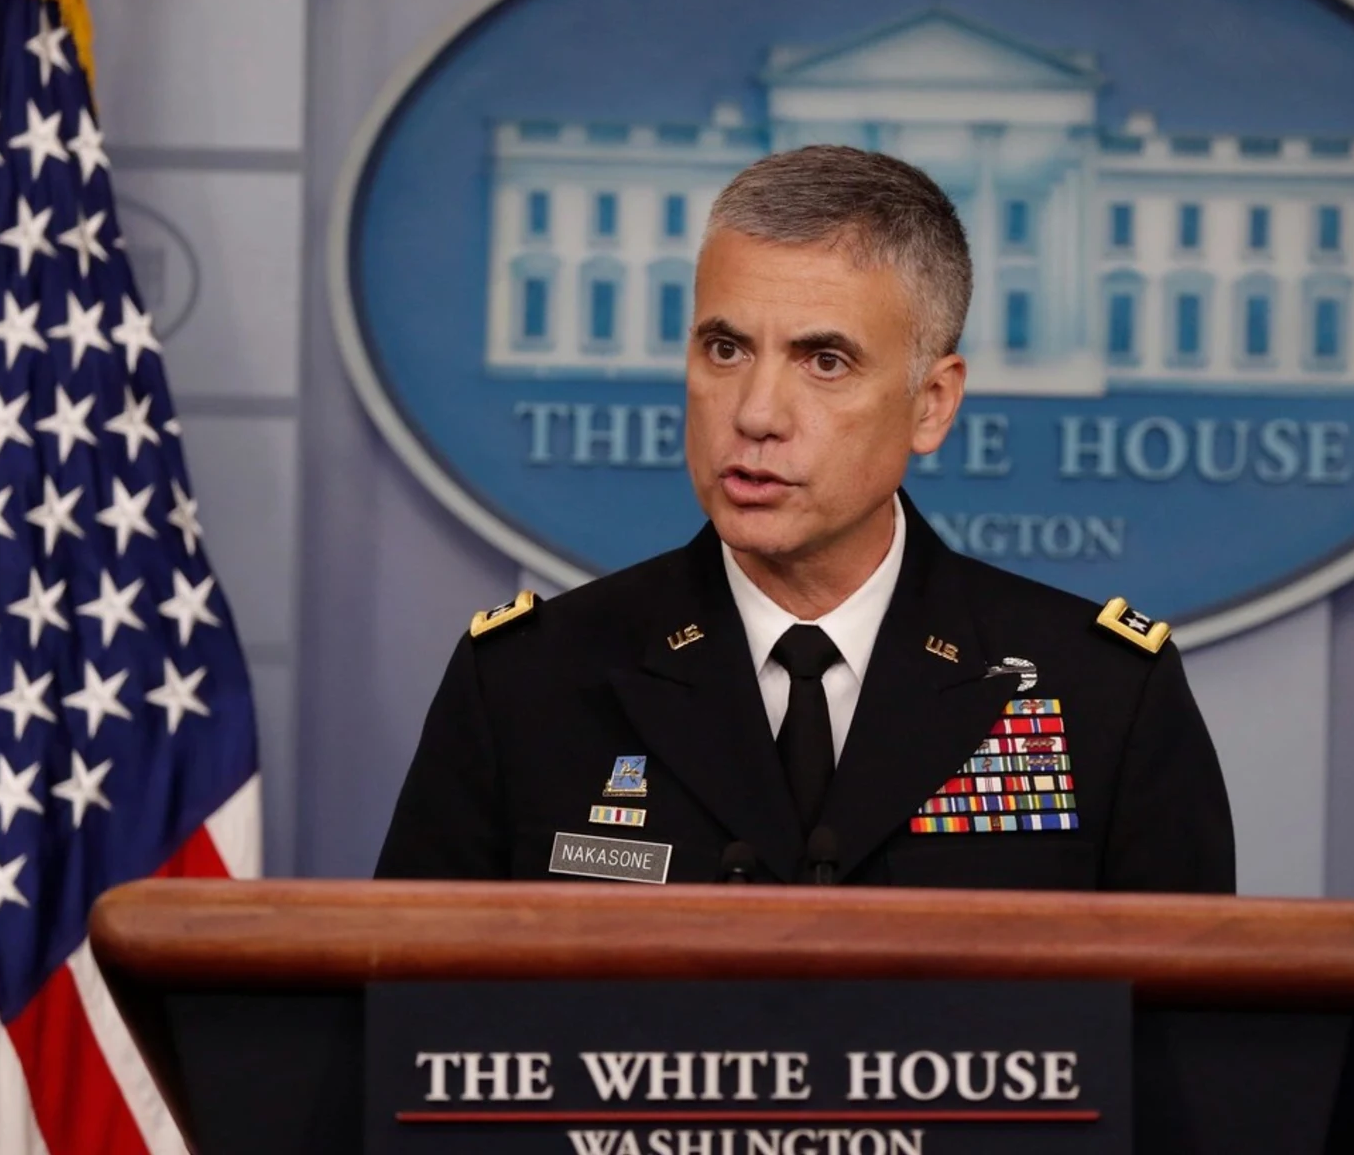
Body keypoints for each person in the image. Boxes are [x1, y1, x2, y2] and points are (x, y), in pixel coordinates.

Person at [375, 145, 1234, 890]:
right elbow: (406, 1034)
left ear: (931, 405)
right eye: (725, 349)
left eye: (824, 361)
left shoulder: (1104, 700)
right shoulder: (527, 686)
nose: (754, 412)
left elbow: (1192, 1059)